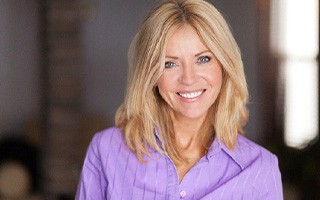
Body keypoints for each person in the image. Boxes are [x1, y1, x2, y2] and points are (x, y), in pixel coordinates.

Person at [75, 0, 283, 199]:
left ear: (225, 66)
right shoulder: (106, 150)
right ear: (150, 74)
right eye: (170, 64)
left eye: (203, 59)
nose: (189, 78)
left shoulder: (261, 169)